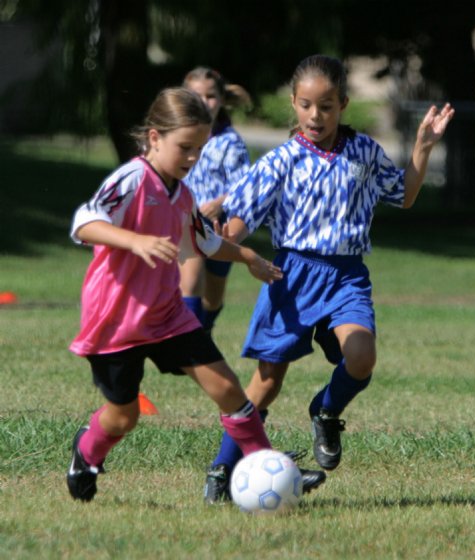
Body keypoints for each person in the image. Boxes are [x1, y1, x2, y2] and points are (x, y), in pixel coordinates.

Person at [203, 54, 455, 502]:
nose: (315, 116)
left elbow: (404, 194)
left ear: (343, 104)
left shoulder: (363, 152)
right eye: (305, 105)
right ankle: (222, 471)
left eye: (326, 107)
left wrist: (423, 146)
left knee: (361, 357)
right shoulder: (280, 161)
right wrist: (228, 246)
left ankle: (326, 410)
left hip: (346, 277)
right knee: (266, 383)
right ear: (294, 104)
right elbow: (236, 227)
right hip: (292, 276)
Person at [65, 86, 308, 503]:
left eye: (200, 149)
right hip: (117, 320)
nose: (193, 158)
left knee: (229, 388)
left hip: (167, 315)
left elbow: (206, 243)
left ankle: (266, 465)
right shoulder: (132, 179)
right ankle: (86, 453)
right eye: (185, 148)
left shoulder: (183, 194)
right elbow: (84, 222)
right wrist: (134, 240)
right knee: (124, 417)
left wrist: (248, 255)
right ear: (155, 137)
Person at [179, 67, 252, 336]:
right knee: (190, 283)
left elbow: (246, 186)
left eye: (210, 96)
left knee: (213, 295)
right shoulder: (178, 136)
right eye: (196, 95)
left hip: (220, 226)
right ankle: (188, 342)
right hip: (187, 220)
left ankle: (204, 327)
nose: (204, 102)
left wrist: (221, 202)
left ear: (221, 99)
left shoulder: (230, 141)